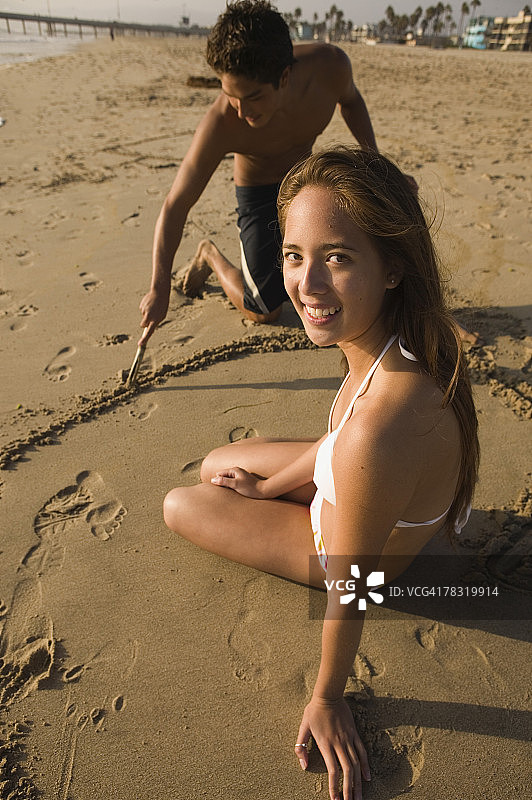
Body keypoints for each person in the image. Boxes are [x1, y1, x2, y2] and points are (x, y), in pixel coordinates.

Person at [163, 147, 480, 800]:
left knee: (180, 503)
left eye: (337, 258)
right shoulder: (391, 346)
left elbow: (352, 581)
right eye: (293, 255)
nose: (306, 285)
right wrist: (267, 489)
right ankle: (268, 488)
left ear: (392, 267)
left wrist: (327, 698)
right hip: (361, 479)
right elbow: (340, 442)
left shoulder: (381, 428)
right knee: (221, 465)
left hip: (351, 548)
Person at [139, 0, 382, 336]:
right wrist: (159, 287)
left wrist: (376, 163)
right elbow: (176, 204)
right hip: (258, 194)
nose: (240, 111)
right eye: (230, 94)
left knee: (357, 258)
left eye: (253, 97)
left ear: (284, 77)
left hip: (305, 186)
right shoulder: (222, 124)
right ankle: (209, 255)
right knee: (264, 310)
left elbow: (352, 102)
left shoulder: (330, 68)